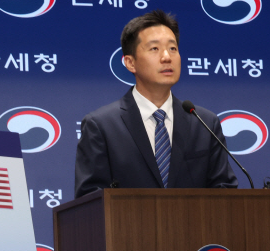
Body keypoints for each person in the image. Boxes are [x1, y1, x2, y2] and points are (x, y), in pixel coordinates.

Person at [74, 10, 238, 198]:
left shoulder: (205, 123)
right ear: (130, 63)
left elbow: (225, 192)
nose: (167, 57)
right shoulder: (102, 126)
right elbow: (90, 200)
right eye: (154, 49)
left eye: (173, 48)